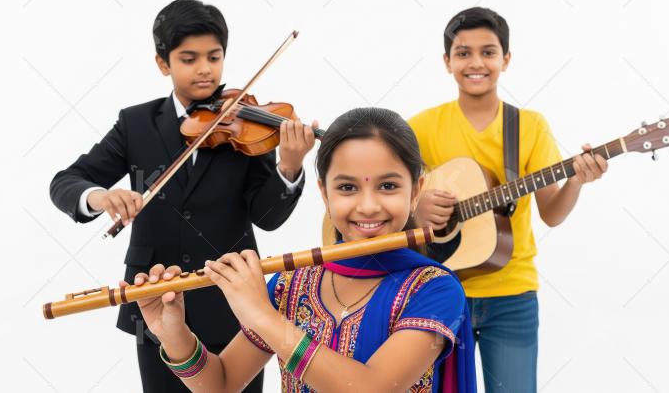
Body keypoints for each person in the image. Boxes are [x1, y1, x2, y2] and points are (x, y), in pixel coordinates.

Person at [49, 0, 316, 392]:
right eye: (189, 58)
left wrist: (289, 167)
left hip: (235, 302)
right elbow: (67, 180)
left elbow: (268, 217)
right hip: (155, 298)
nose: (205, 69)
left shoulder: (245, 118)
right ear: (163, 63)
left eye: (214, 56)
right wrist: (100, 196)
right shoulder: (136, 122)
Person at [121, 107, 477, 392]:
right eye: (348, 188)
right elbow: (223, 384)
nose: (368, 206)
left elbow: (369, 389)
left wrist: (263, 316)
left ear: (416, 191)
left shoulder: (434, 289)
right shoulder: (293, 284)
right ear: (324, 193)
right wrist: (174, 335)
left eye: (387, 186)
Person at [409, 7, 608, 392]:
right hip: (438, 288)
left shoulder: (529, 126)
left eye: (488, 51)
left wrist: (577, 182)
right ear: (447, 62)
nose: (476, 62)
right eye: (463, 53)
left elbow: (551, 213)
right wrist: (417, 209)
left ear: (506, 59)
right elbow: (391, 193)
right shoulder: (421, 126)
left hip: (513, 294)